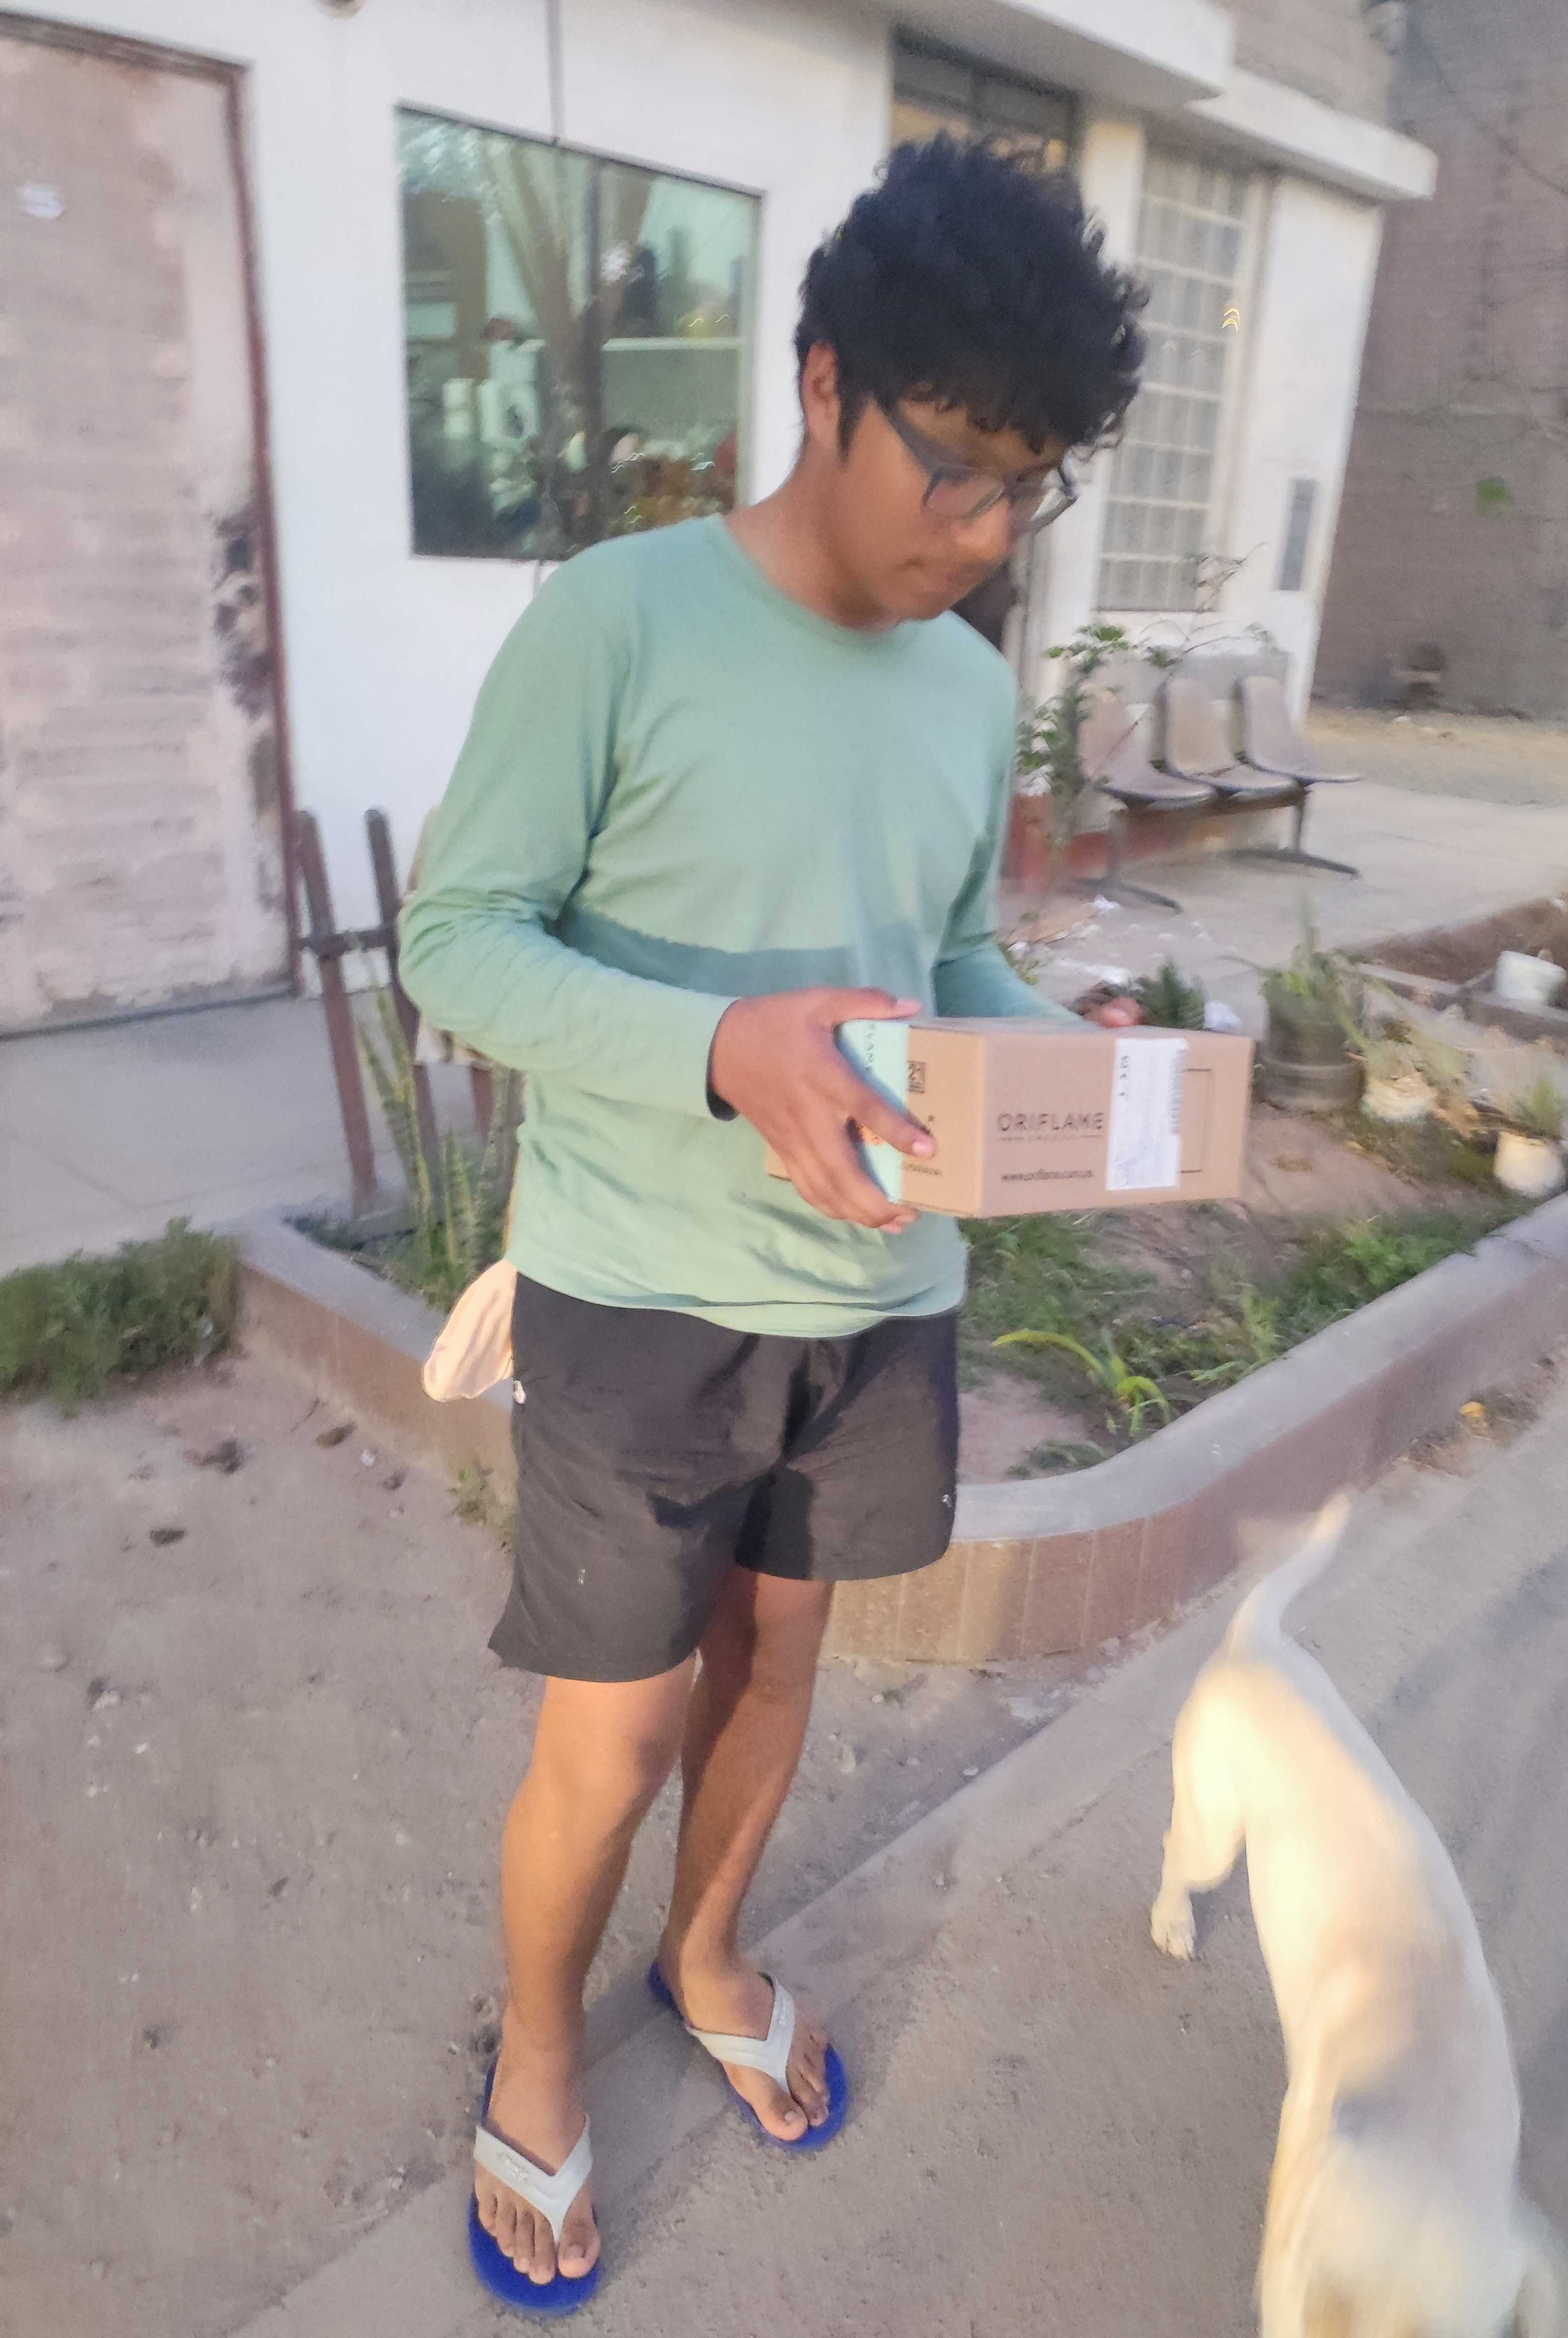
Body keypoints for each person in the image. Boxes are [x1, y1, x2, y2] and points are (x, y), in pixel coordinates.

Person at [399, 134, 1146, 2312]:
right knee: (615, 1726)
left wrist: (1072, 1058)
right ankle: (542, 2046)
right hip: (641, 1292)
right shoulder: (619, 621)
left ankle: (709, 1952)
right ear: (823, 386)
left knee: (781, 1657)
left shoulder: (968, 688)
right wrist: (727, 1048)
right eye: (953, 468)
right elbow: (461, 942)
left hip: (879, 1289)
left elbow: (947, 956)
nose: (984, 533)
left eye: (1027, 490)